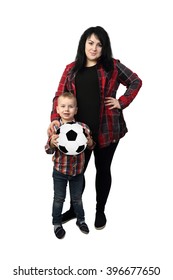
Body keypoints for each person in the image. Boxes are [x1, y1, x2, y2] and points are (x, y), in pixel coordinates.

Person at [47, 26, 142, 230]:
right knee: (76, 172)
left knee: (103, 170)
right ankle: (75, 209)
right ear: (83, 43)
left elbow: (135, 81)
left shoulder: (113, 67)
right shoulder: (71, 69)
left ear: (104, 48)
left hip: (108, 130)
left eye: (99, 44)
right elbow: (59, 96)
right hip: (78, 133)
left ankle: (100, 210)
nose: (94, 48)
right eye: (91, 43)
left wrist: (121, 101)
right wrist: (55, 118)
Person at [45, 92, 94, 239]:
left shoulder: (83, 128)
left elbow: (90, 146)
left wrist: (90, 142)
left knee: (77, 198)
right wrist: (51, 144)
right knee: (59, 198)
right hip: (60, 171)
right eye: (63, 106)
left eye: (70, 106)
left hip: (78, 172)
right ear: (57, 109)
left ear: (76, 110)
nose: (67, 109)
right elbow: (47, 150)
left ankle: (81, 220)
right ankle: (57, 223)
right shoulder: (54, 128)